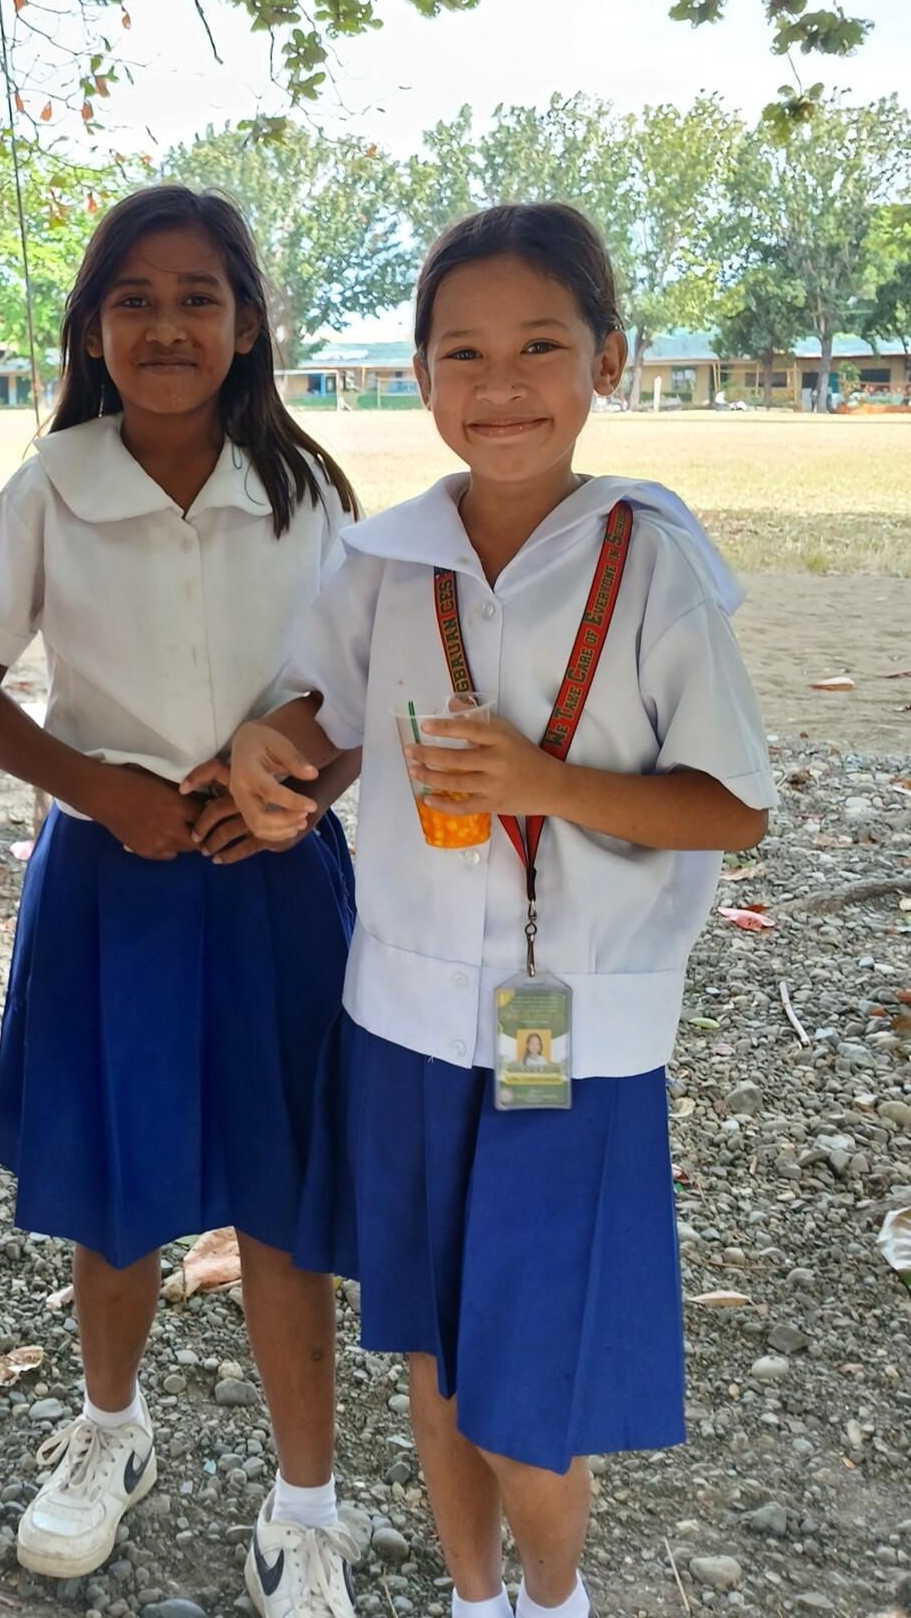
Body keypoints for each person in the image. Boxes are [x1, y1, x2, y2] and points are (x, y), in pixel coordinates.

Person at [228, 203, 774, 1618]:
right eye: (462, 353)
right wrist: (271, 758)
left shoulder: (649, 559)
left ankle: (552, 1596)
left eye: (540, 346)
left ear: (609, 360)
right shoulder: (388, 557)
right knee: (435, 1353)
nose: (501, 384)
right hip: (407, 1021)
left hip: (572, 1037)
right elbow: (327, 717)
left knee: (527, 1391)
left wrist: (545, 783)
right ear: (420, 376)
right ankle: (475, 1597)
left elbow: (731, 807)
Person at [0, 186, 363, 1618]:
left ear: (249, 325)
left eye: (200, 297)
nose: (166, 324)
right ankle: (110, 1430)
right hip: (111, 878)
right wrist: (93, 786)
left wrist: (300, 787)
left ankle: (306, 1505)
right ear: (89, 330)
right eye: (132, 298)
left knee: (282, 1193)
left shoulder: (307, 494)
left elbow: (363, 689)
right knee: (116, 1184)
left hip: (275, 880)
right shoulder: (52, 487)